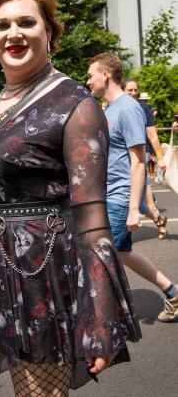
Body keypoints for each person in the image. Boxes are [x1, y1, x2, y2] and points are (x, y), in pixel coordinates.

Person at [0, 0, 141, 397]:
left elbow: (92, 219)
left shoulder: (75, 104)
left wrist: (101, 316)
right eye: (1, 25)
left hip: (39, 274)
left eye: (26, 22)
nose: (13, 33)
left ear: (49, 31)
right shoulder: (1, 100)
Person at [87, 53, 178, 323]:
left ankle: (102, 317)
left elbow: (138, 162)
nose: (88, 80)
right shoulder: (109, 108)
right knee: (122, 251)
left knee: (103, 253)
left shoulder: (128, 109)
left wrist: (133, 209)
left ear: (106, 74)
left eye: (91, 75)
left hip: (120, 195)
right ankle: (173, 294)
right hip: (108, 194)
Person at [122, 80, 168, 238]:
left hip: (140, 156)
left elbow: (152, 135)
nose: (133, 93)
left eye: (135, 90)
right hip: (121, 158)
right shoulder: (115, 106)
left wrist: (160, 158)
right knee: (138, 204)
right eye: (130, 90)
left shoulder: (143, 108)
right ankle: (158, 219)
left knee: (137, 197)